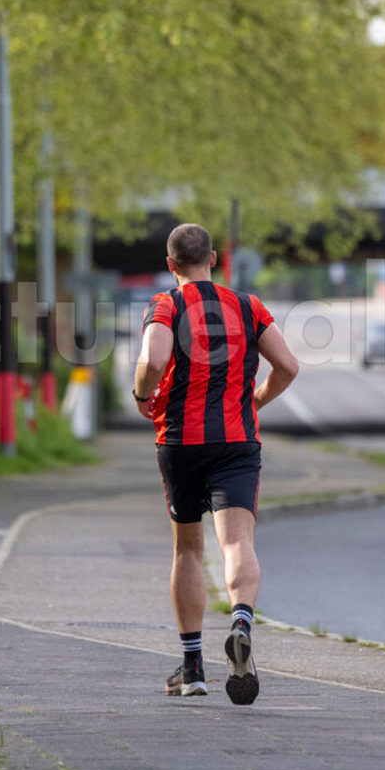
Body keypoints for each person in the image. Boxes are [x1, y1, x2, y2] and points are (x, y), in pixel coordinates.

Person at [132, 223, 300, 704]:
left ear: (171, 265)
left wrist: (143, 395)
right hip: (236, 442)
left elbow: (152, 360)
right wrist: (254, 401)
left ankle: (192, 669)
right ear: (214, 261)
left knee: (188, 548)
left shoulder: (166, 306)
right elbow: (288, 367)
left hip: (181, 441)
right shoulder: (248, 307)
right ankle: (241, 620)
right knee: (237, 541)